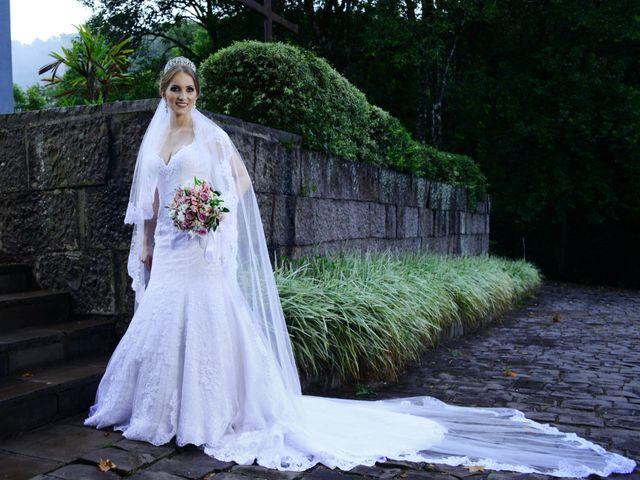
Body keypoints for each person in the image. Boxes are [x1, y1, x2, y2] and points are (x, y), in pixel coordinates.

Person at [84, 57, 636, 477]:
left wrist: (210, 212)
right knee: (162, 320)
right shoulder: (156, 139)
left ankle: (208, 414)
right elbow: (149, 204)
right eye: (175, 90)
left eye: (189, 89)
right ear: (164, 93)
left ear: (197, 93)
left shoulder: (211, 135)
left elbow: (242, 187)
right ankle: (157, 409)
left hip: (202, 245)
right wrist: (153, 244)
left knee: (209, 321)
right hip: (173, 250)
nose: (183, 96)